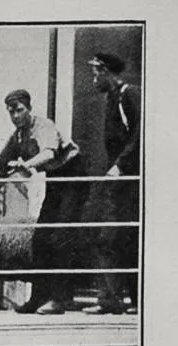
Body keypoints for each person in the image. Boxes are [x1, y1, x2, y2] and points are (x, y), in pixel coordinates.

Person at [0, 89, 89, 314]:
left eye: (19, 111)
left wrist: (27, 165)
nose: (15, 116)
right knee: (40, 238)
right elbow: (3, 159)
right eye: (11, 112)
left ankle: (60, 299)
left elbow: (48, 154)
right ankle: (38, 297)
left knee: (60, 237)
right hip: (56, 180)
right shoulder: (19, 134)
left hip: (73, 177)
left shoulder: (43, 126)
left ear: (29, 109)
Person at [84, 52, 141, 315]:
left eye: (96, 73)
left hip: (132, 181)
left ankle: (136, 300)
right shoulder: (112, 99)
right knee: (109, 237)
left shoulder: (130, 94)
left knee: (124, 237)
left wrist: (121, 164)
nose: (94, 79)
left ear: (106, 71)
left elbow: (141, 133)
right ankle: (109, 299)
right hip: (119, 183)